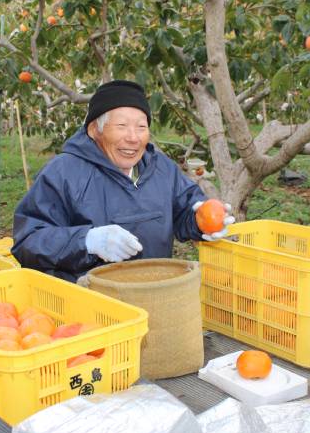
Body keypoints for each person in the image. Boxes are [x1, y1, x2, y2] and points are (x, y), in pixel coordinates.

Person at [12, 80, 234, 282]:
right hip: (92, 306)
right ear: (94, 130)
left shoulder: (160, 168)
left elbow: (183, 211)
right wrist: (87, 241)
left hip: (154, 294)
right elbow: (29, 241)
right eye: (121, 126)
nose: (133, 137)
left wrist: (198, 219)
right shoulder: (64, 173)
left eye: (141, 127)